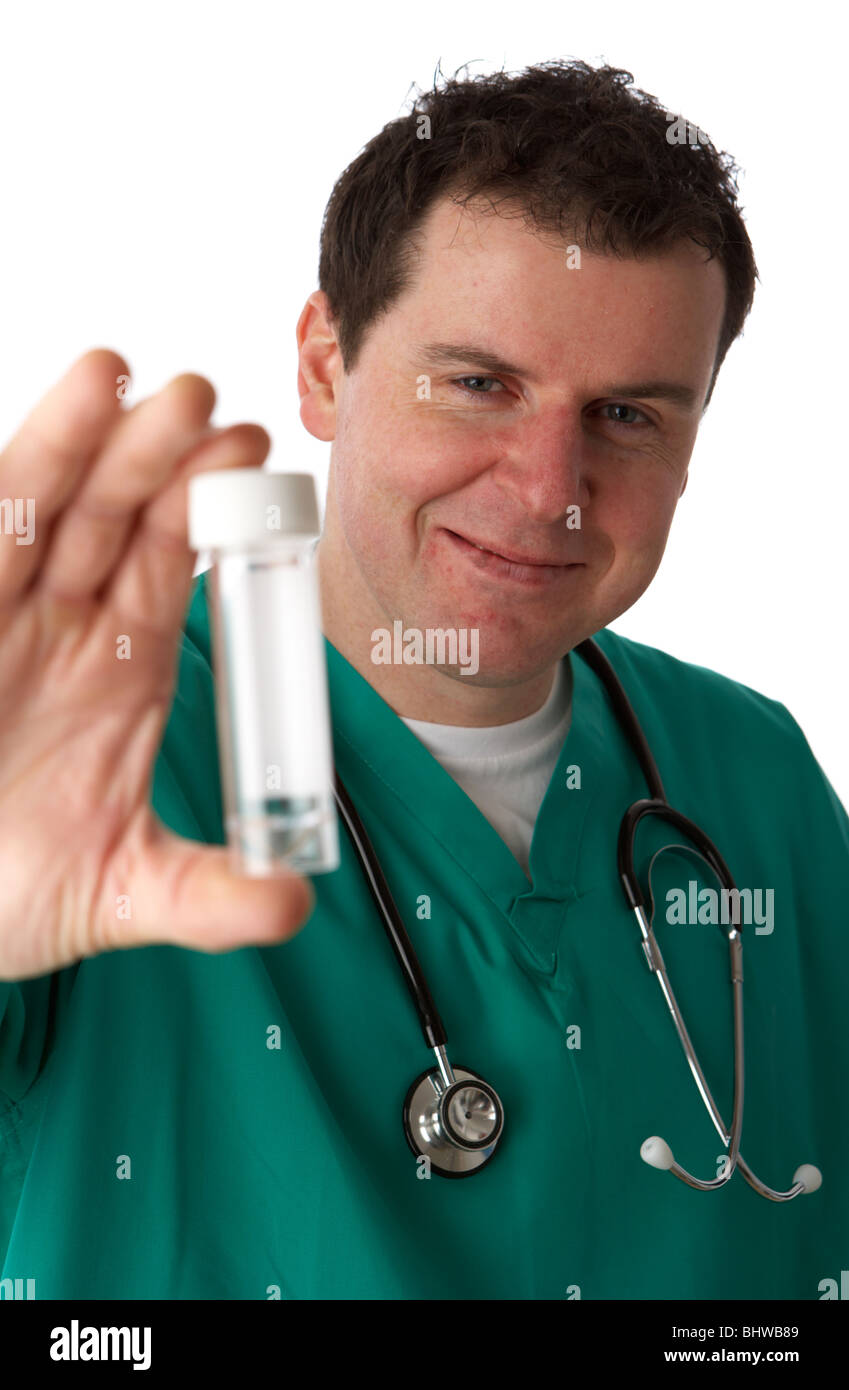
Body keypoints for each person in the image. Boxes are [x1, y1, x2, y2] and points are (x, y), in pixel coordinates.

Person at [1, 59, 847, 1302]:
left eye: (626, 415)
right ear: (325, 365)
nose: (547, 487)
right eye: (480, 383)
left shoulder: (754, 776)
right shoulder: (80, 753)